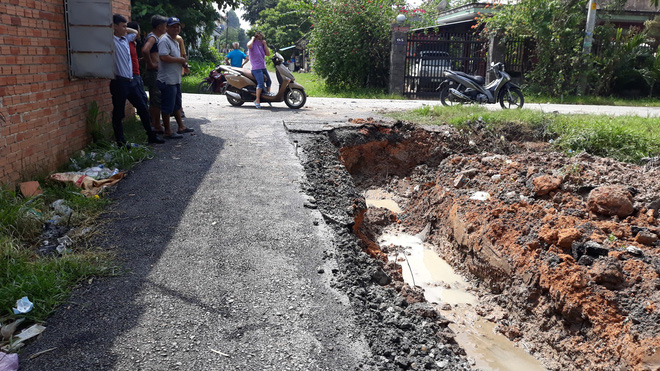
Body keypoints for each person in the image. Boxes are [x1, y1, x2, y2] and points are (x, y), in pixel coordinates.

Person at [111, 14, 163, 146]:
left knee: (143, 108)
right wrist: (113, 29)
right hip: (119, 82)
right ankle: (121, 142)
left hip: (131, 81)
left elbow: (134, 32)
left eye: (125, 26)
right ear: (114, 26)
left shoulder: (126, 38)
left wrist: (124, 29)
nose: (125, 29)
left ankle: (151, 135)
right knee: (119, 113)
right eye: (122, 26)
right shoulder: (111, 41)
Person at [157, 17, 193, 139]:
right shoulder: (164, 40)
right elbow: (163, 57)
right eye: (173, 26)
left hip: (175, 79)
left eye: (177, 26)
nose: (176, 28)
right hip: (167, 80)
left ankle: (181, 126)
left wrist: (183, 63)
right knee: (167, 106)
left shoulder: (175, 41)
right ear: (167, 28)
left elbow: (175, 58)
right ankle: (167, 131)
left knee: (177, 104)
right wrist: (180, 60)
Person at [141, 15, 167, 134]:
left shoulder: (157, 37)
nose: (166, 28)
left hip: (157, 71)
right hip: (154, 72)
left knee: (156, 98)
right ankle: (156, 125)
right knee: (156, 99)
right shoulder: (152, 37)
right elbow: (145, 50)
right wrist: (151, 64)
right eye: (165, 26)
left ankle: (156, 122)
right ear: (160, 27)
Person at [247, 31, 271, 109]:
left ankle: (267, 96)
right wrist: (252, 39)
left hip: (263, 67)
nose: (260, 37)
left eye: (261, 36)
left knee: (269, 81)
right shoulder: (252, 43)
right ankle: (257, 100)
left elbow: (268, 54)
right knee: (260, 83)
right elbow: (248, 46)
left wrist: (265, 44)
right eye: (258, 36)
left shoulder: (262, 43)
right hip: (256, 68)